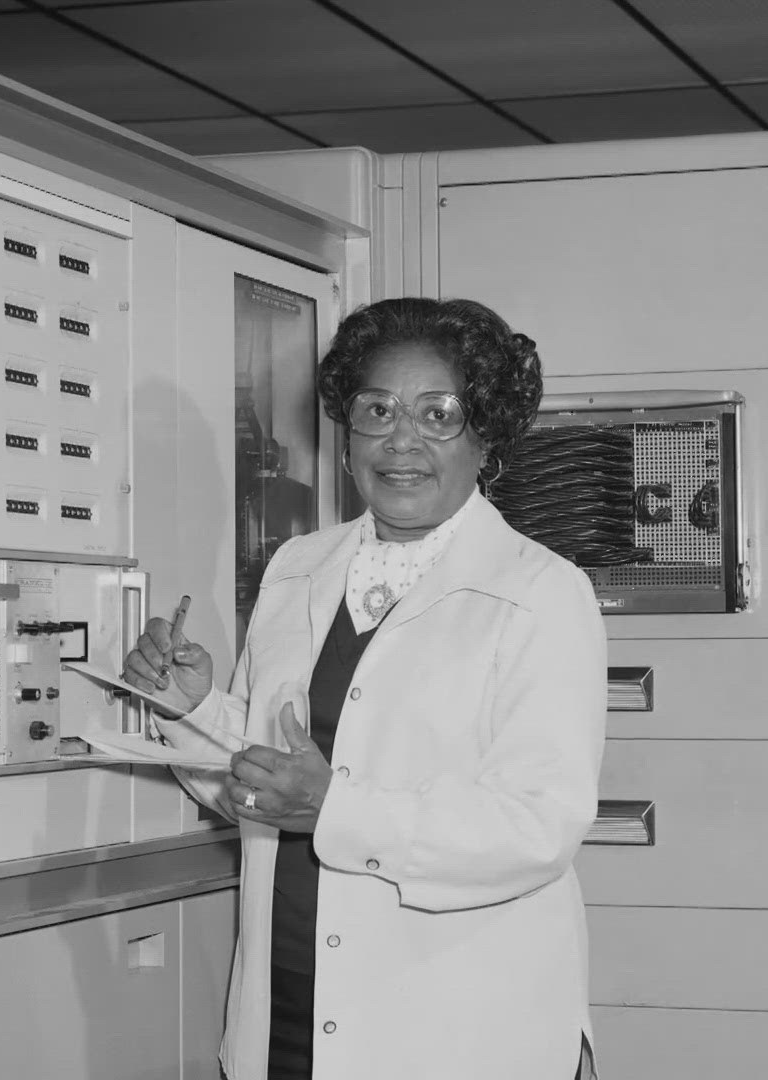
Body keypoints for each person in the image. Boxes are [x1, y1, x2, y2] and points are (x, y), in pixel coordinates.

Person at [122, 297, 608, 1080]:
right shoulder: (295, 568)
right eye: (376, 409)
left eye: (439, 414)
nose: (401, 439)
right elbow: (255, 788)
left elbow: (537, 827)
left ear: (486, 438)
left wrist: (334, 808)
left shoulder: (542, 593)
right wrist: (197, 710)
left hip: (457, 1027)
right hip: (287, 1010)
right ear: (347, 437)